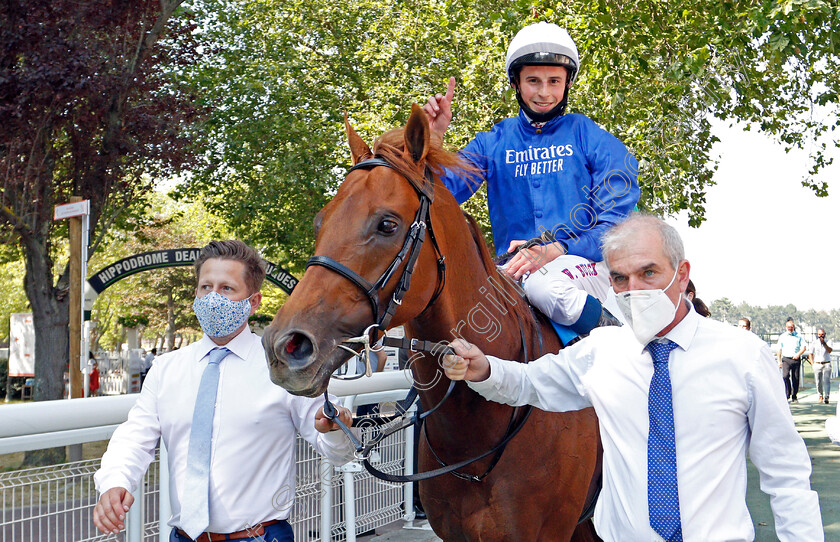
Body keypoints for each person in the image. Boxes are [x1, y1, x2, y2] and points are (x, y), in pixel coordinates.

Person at [442, 214, 822, 541]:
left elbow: (786, 474)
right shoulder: (600, 351)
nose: (634, 290)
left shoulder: (743, 355)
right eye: (620, 278)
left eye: (649, 272)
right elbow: (528, 382)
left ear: (682, 273)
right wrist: (484, 368)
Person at [93, 240, 356, 542]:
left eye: (226, 288)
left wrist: (335, 429)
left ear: (253, 301)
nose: (212, 297)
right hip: (182, 537)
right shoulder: (167, 369)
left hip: (260, 537)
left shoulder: (284, 366)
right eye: (205, 287)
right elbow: (135, 437)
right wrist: (115, 482)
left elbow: (339, 451)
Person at [423, 22, 639, 336]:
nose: (544, 92)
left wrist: (558, 248)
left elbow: (616, 223)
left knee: (544, 287)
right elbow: (440, 197)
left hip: (585, 265)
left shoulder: (588, 135)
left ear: (567, 83)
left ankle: (617, 341)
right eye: (533, 81)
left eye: (554, 81)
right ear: (516, 84)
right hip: (515, 268)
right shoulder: (494, 141)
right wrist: (433, 140)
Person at [776, 318, 807, 403]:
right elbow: (778, 349)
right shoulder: (782, 336)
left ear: (793, 327)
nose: (790, 328)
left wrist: (798, 354)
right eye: (788, 327)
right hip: (786, 359)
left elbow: (804, 347)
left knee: (795, 378)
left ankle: (794, 396)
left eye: (791, 327)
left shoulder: (798, 336)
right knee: (785, 376)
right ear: (786, 327)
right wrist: (779, 361)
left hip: (795, 359)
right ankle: (787, 392)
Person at [809, 328, 833, 404]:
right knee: (818, 381)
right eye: (819, 334)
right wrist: (812, 363)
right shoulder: (814, 343)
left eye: (822, 334)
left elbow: (829, 350)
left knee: (826, 381)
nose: (821, 336)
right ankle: (820, 395)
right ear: (817, 335)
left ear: (825, 334)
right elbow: (810, 353)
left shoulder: (828, 341)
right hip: (817, 364)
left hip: (826, 363)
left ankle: (826, 396)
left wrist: (824, 343)